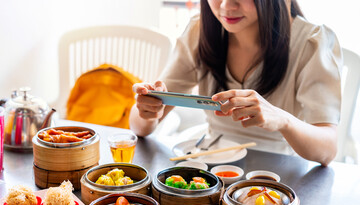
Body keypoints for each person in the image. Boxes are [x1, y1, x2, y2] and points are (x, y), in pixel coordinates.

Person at [130, 0, 342, 166]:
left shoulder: (311, 42)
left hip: (278, 173)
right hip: (212, 167)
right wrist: (148, 112)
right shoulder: (199, 31)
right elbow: (140, 128)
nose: (226, 6)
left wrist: (283, 120)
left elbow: (328, 149)